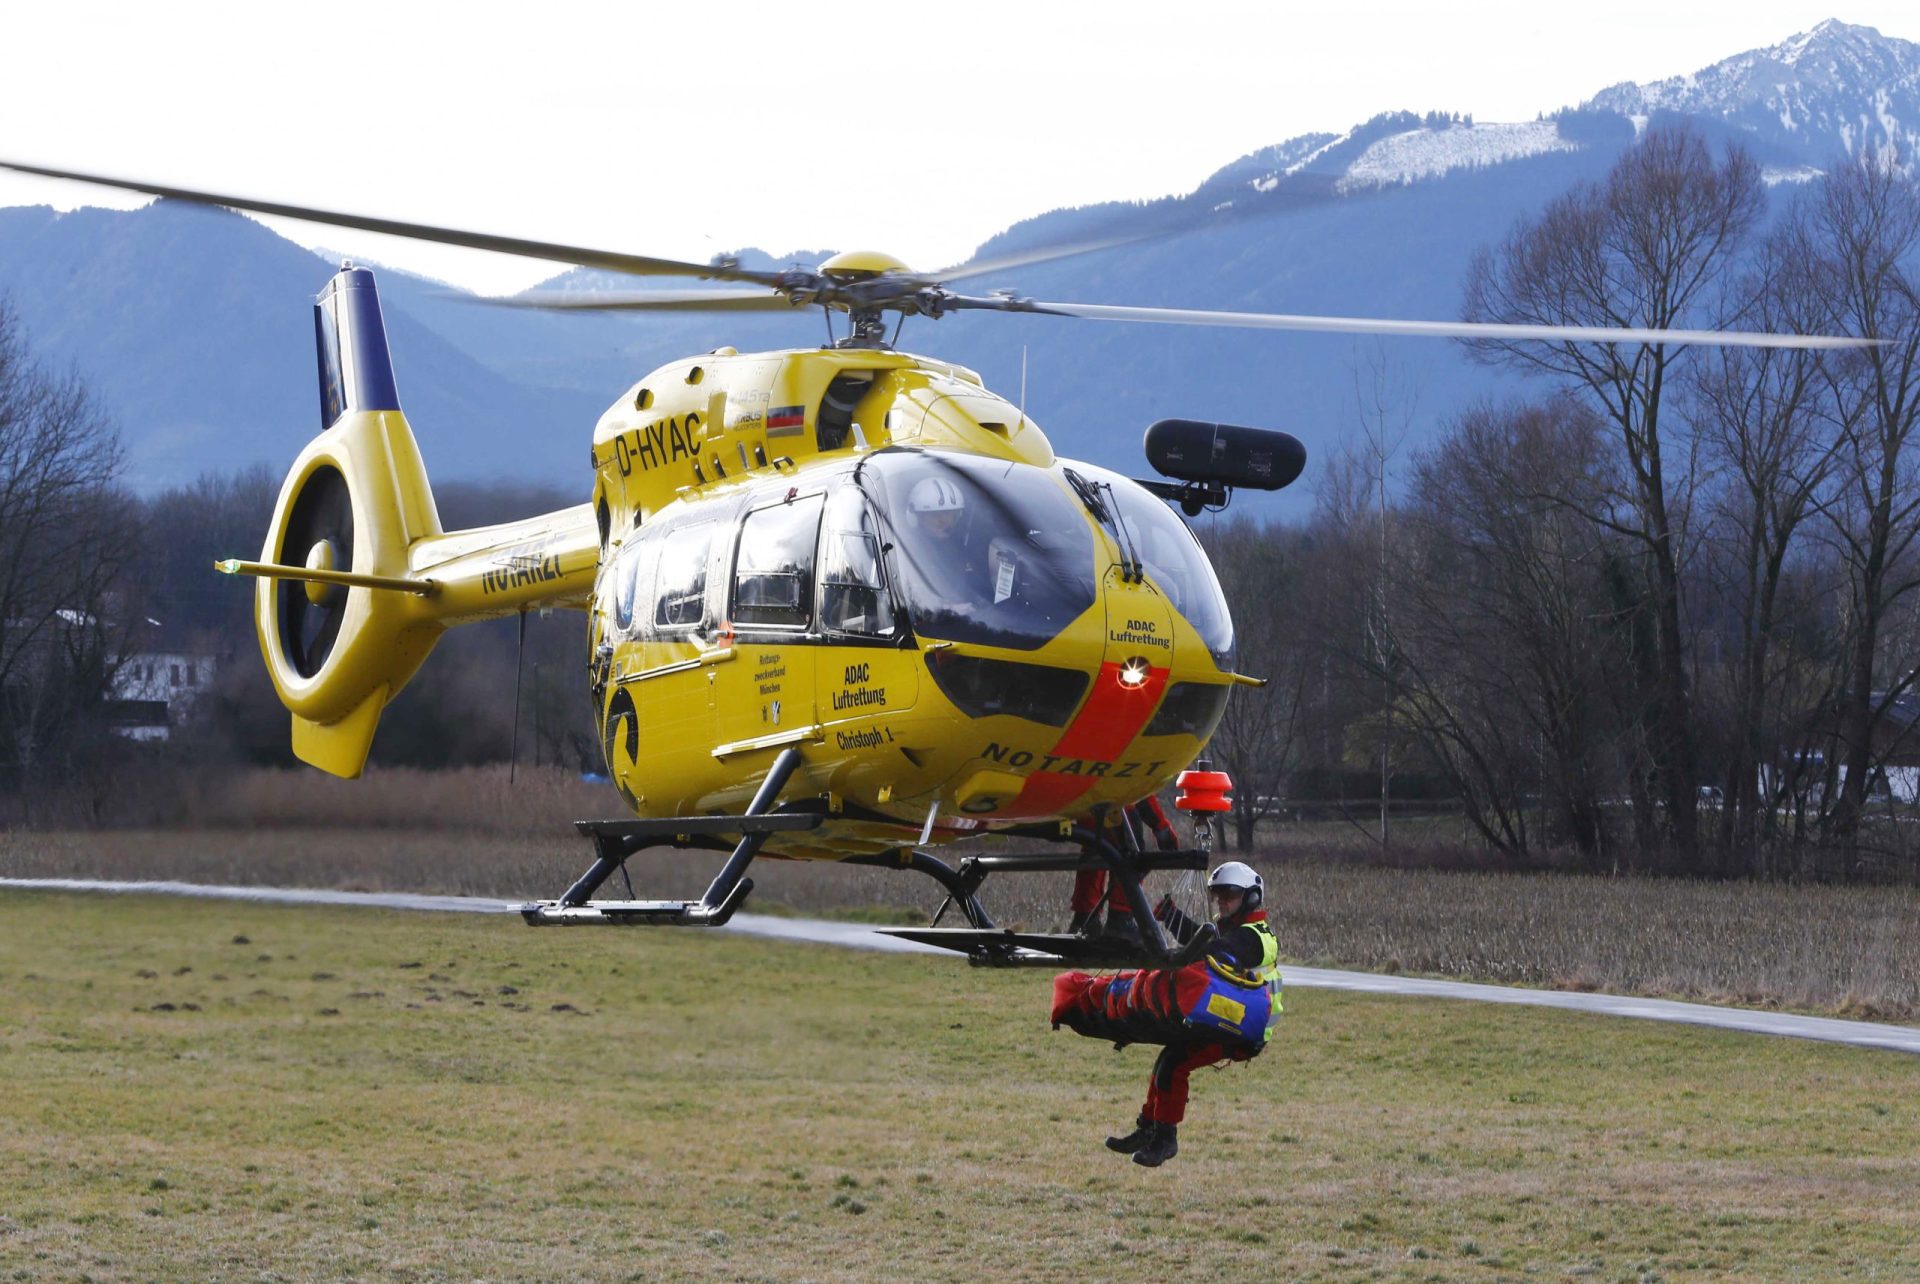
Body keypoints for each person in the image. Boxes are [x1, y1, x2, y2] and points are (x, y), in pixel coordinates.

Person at [1050, 861, 1280, 1168]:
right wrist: (1169, 918)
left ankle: (1163, 1139)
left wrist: (1170, 923)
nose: (1222, 901)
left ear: (1250, 898)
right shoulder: (1236, 931)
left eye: (1230, 894)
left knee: (1174, 1064)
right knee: (1168, 1062)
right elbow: (1210, 946)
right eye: (1218, 895)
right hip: (1228, 1019)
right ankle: (1149, 1129)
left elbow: (1215, 951)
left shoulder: (1256, 937)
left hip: (1245, 1030)